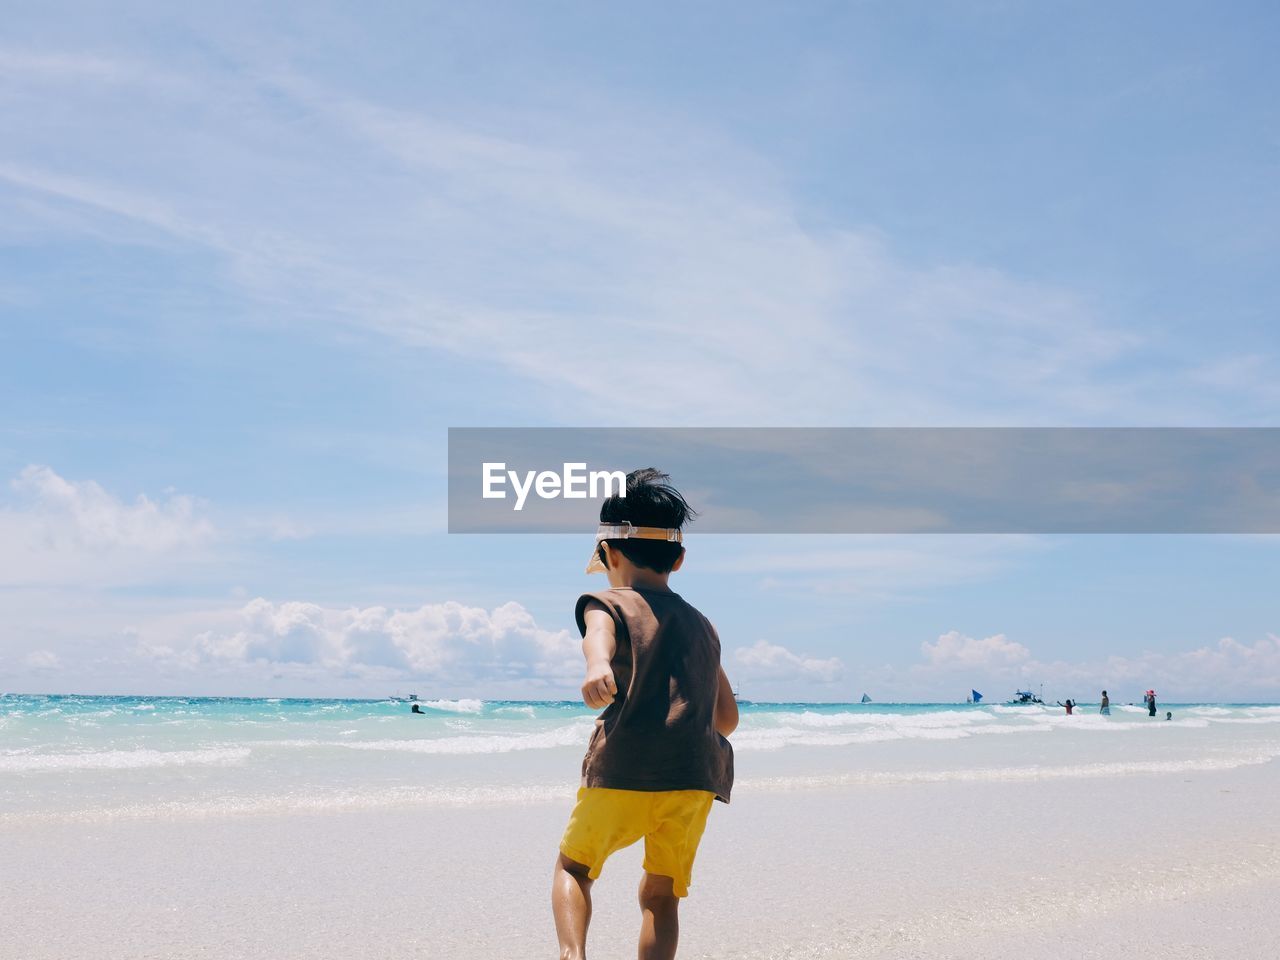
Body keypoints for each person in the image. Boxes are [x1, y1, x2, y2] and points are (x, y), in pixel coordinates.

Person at [552, 468, 737, 960]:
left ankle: (574, 957)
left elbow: (598, 637)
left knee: (573, 870)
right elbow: (727, 720)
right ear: (679, 559)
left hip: (624, 770)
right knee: (661, 896)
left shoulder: (607, 602)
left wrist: (596, 667)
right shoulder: (705, 627)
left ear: (608, 555)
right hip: (695, 778)